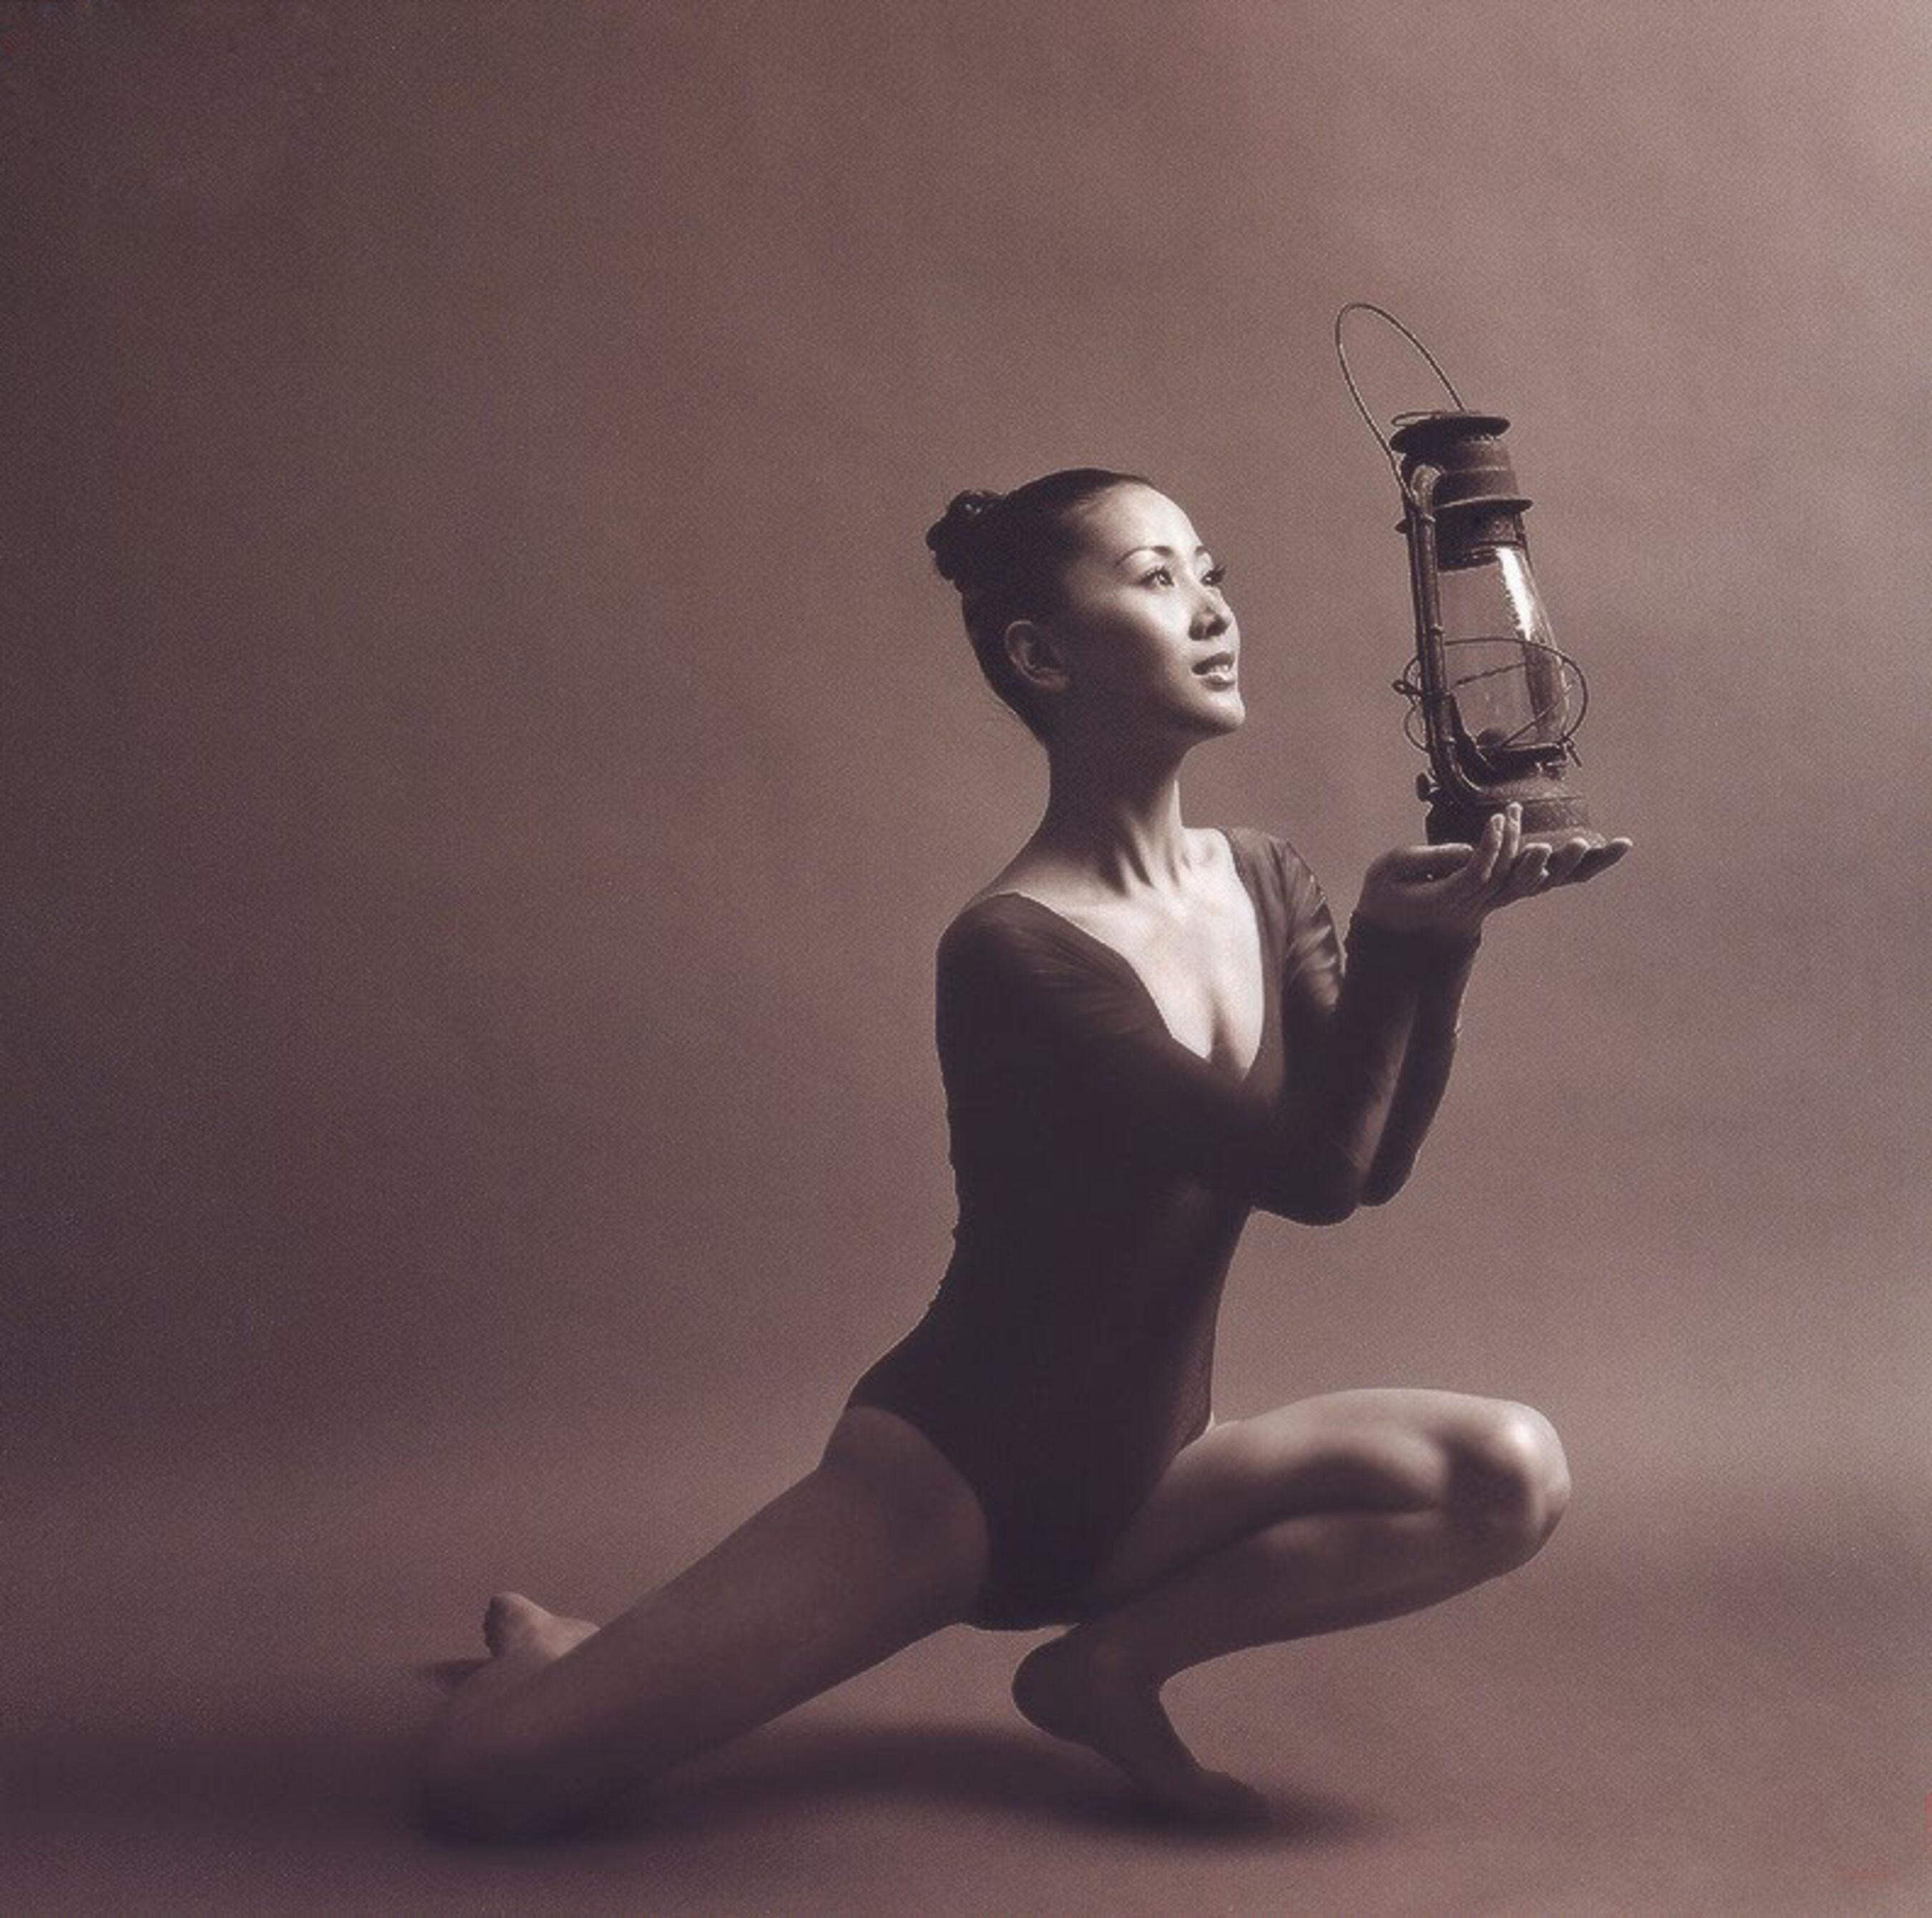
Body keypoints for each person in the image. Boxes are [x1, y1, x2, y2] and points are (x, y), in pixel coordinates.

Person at [421, 467, 1629, 1841]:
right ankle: (557, 1655)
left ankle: (1107, 1668)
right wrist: (1402, 948)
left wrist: (1445, 947)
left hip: (1154, 1477)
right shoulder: (1011, 950)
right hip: (946, 1489)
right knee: (490, 1783)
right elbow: (1309, 1175)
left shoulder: (1263, 879)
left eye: (1211, 572)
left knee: (1509, 1471)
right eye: (1156, 579)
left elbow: (1369, 1169)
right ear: (1044, 657)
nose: (1212, 610)